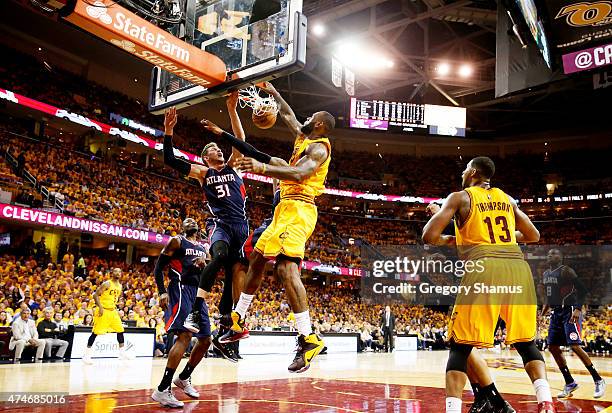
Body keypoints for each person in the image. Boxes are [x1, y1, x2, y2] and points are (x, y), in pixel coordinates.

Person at [206, 81, 334, 373]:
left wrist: (263, 168)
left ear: (319, 125)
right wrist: (273, 91)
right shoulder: (303, 138)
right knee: (256, 259)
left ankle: (308, 337)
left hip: (300, 208)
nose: (304, 119)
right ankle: (237, 321)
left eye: (310, 117)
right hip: (283, 210)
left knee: (285, 269)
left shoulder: (319, 148)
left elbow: (301, 174)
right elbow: (289, 116)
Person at [423, 156, 555, 413]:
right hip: (518, 268)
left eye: (464, 169)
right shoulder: (507, 199)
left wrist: (440, 214)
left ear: (472, 172)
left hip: (485, 267)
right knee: (526, 343)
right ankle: (546, 402)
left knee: (460, 346)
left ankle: (452, 410)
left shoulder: (459, 197)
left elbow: (430, 236)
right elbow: (533, 235)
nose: (462, 173)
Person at [162, 94, 249, 339]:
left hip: (241, 225)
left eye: (218, 147)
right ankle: (197, 311)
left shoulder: (233, 166)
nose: (218, 150)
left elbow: (240, 141)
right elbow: (169, 159)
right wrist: (169, 131)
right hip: (220, 224)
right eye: (212, 149)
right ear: (205, 158)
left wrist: (232, 109)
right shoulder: (202, 172)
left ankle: (230, 322)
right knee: (219, 255)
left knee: (235, 272)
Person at [151, 218, 213, 408]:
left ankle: (184, 377)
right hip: (181, 289)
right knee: (185, 336)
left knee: (205, 340)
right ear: (183, 228)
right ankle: (162, 389)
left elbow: (210, 274)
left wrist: (206, 264)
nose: (190, 221)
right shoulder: (177, 241)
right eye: (186, 221)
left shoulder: (204, 248)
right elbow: (158, 267)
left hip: (198, 294)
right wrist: (161, 291)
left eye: (193, 220)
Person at [542, 248, 605, 398]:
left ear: (561, 257)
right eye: (549, 253)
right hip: (556, 312)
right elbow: (550, 295)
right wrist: (544, 310)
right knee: (552, 347)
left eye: (554, 253)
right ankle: (570, 382)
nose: (551, 255)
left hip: (569, 311)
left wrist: (577, 309)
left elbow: (582, 290)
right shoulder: (545, 274)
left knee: (574, 345)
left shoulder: (566, 271)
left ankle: (598, 379)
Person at [83, 268, 132, 364]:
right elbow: (95, 295)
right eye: (115, 271)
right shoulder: (107, 284)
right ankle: (86, 356)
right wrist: (100, 307)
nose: (118, 273)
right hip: (103, 310)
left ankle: (122, 353)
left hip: (113, 311)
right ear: (111, 273)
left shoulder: (120, 286)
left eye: (119, 271)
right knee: (96, 332)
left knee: (120, 330)